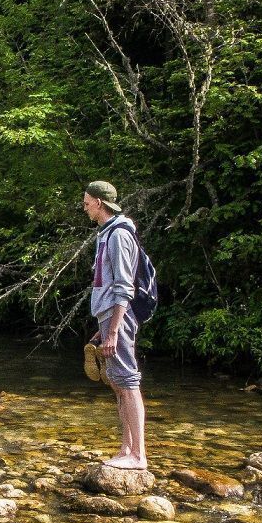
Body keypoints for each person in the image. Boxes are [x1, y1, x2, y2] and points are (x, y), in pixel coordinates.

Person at [83, 180, 148, 469]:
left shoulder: (119, 235)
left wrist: (113, 330)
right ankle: (126, 449)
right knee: (119, 384)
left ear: (99, 202)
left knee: (128, 382)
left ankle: (138, 456)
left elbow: (123, 286)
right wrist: (104, 325)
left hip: (117, 317)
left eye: (87, 201)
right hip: (109, 316)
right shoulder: (106, 234)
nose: (84, 206)